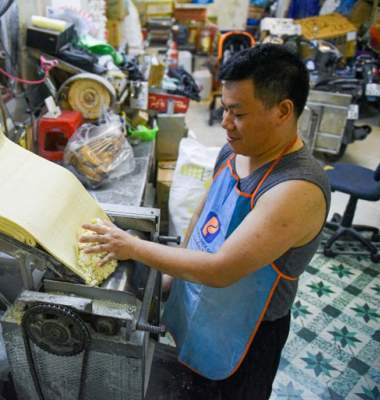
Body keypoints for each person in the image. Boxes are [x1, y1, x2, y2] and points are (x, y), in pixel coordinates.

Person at [80, 44, 330, 399]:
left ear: (282, 110)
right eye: (224, 108)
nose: (225, 123)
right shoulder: (235, 150)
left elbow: (221, 270)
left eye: (237, 113)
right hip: (201, 304)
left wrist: (131, 246)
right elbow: (203, 214)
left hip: (244, 334)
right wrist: (173, 278)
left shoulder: (295, 189)